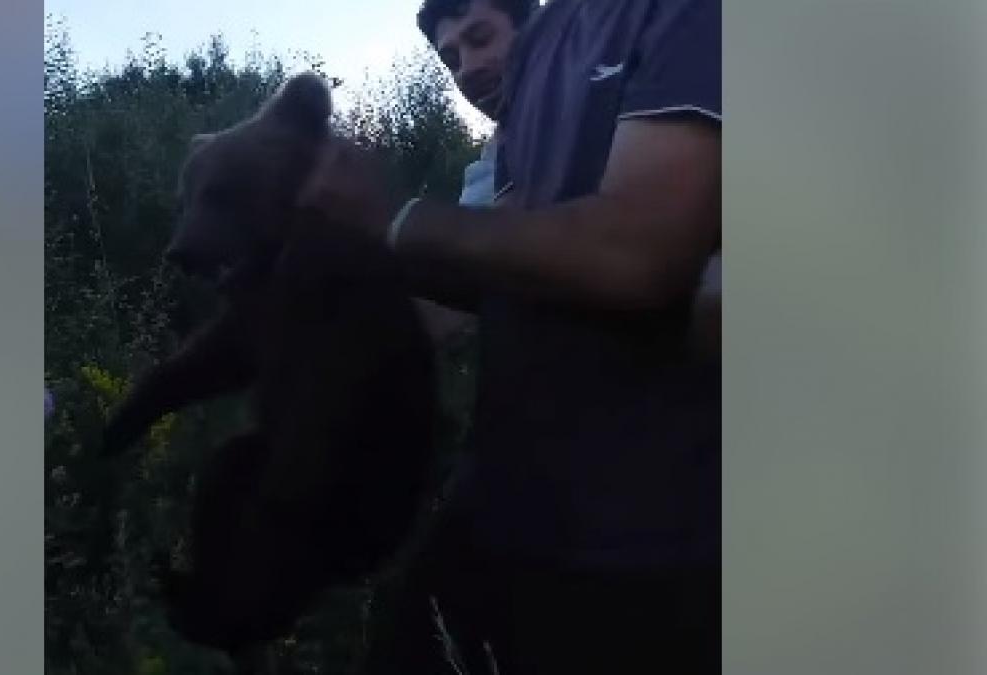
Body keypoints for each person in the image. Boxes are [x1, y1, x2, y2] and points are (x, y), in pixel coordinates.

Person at [300, 0, 721, 672]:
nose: (468, 68)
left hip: (655, 533)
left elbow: (639, 256)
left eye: (479, 38)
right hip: (508, 499)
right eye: (450, 57)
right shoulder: (548, 44)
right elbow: (493, 279)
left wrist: (394, 217)